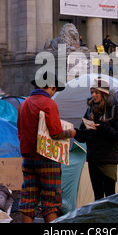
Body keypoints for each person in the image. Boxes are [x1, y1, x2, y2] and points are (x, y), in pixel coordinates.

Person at [17, 72, 76, 223]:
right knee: (50, 203)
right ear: (50, 86)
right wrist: (71, 132)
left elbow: (20, 131)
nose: (53, 93)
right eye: (54, 89)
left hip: (28, 159)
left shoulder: (23, 104)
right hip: (47, 159)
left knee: (28, 200)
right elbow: (56, 133)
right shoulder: (48, 103)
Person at [75, 77, 118, 201]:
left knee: (110, 195)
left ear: (104, 93)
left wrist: (102, 127)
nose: (93, 95)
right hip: (93, 159)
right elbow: (83, 136)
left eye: (96, 92)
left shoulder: (115, 111)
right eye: (92, 92)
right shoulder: (89, 110)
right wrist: (75, 133)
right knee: (97, 196)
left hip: (108, 159)